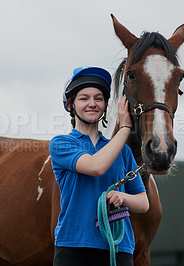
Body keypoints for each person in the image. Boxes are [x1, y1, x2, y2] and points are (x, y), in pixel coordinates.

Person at [49, 66, 149, 266]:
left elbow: (143, 203)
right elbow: (96, 167)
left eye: (99, 98)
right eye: (84, 98)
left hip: (118, 247)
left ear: (105, 106)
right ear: (70, 105)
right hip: (74, 247)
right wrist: (125, 128)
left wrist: (123, 196)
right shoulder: (61, 144)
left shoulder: (123, 151)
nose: (92, 104)